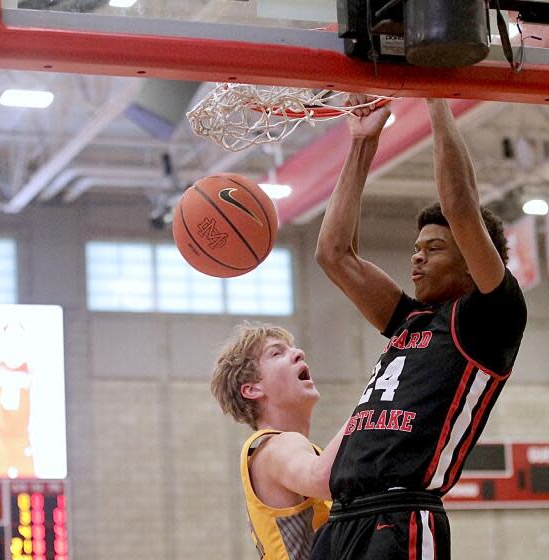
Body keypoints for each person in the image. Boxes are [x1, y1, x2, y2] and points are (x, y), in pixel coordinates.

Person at [312, 97, 527, 560]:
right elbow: (334, 253)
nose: (417, 256)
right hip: (342, 518)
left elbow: (461, 206)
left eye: (434, 248)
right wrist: (362, 142)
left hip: (402, 514)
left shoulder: (489, 318)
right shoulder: (408, 320)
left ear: (472, 261)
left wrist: (436, 98)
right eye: (416, 247)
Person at [211, 323, 345, 560]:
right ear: (252, 389)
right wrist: (371, 405)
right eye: (277, 352)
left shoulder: (295, 450)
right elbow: (324, 478)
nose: (299, 353)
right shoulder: (275, 446)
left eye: (292, 348)